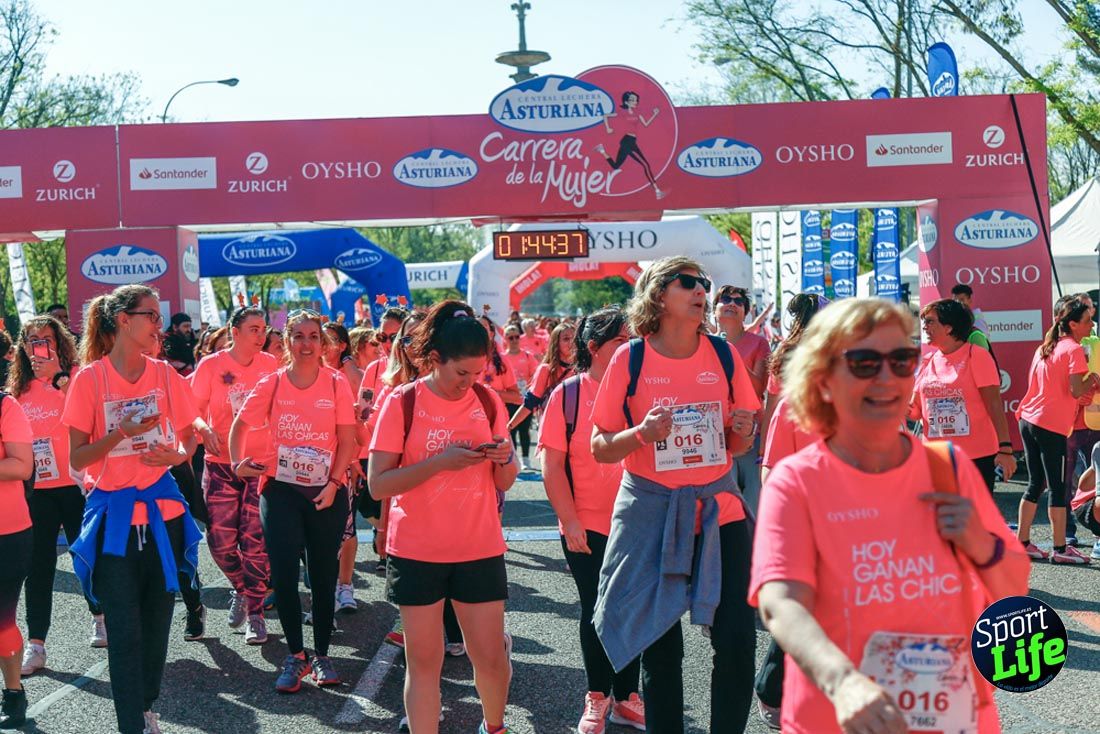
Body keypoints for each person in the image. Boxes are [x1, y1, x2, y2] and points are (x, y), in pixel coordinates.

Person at [751, 297, 1029, 734]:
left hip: (951, 717)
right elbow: (781, 603)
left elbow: (1014, 588)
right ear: (823, 378)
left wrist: (981, 543)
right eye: (864, 362)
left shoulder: (948, 468)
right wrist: (841, 681)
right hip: (836, 715)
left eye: (902, 360)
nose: (887, 377)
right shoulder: (796, 481)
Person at [591, 256, 760, 734]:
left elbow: (738, 442)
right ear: (659, 293)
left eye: (704, 282)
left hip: (717, 508)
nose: (701, 290)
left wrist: (742, 432)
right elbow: (600, 446)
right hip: (651, 508)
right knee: (659, 643)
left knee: (736, 639)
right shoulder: (631, 358)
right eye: (688, 282)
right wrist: (641, 434)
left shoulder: (724, 355)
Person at [369, 300, 518, 734]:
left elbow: (504, 482)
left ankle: (494, 727)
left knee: (489, 656)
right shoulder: (404, 401)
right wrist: (441, 462)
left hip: (479, 547)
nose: (469, 384)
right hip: (416, 550)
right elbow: (379, 484)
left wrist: (505, 457)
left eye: (477, 374)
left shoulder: (488, 401)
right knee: (424, 661)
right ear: (435, 359)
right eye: (461, 374)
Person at [63, 284, 202, 734]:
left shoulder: (164, 374)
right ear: (124, 321)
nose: (159, 326)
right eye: (151, 317)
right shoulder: (90, 379)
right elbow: (78, 459)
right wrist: (118, 433)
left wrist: (176, 454)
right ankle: (131, 725)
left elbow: (187, 436)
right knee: (124, 632)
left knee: (158, 626)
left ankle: (145, 706)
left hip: (163, 518)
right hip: (114, 523)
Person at [229, 309, 357, 692]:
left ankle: (321, 653)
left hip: (326, 491)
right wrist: (238, 463)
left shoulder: (336, 384)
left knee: (322, 575)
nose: (306, 344)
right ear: (286, 342)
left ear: (323, 343)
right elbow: (239, 426)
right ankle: (295, 655)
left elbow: (348, 441)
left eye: (313, 337)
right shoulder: (271, 383)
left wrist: (334, 483)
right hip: (280, 489)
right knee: (284, 575)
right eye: (298, 336)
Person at [539, 307, 645, 734]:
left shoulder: (640, 392)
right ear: (594, 347)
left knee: (632, 610)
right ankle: (597, 697)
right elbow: (551, 467)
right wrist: (570, 520)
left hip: (638, 521)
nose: (630, 347)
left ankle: (627, 696)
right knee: (596, 611)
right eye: (622, 340)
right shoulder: (567, 395)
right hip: (587, 524)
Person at [13, 317, 106, 678]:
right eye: (32, 340)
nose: (40, 347)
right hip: (36, 490)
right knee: (37, 568)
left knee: (87, 558)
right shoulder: (17, 387)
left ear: (60, 342)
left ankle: (100, 617)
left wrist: (57, 379)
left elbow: (94, 417)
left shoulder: (76, 376)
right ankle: (36, 645)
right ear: (23, 347)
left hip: (76, 484)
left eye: (47, 339)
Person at [190, 307, 277, 644]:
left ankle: (256, 614)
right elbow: (192, 410)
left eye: (263, 329)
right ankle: (241, 588)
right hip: (220, 463)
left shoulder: (271, 365)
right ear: (234, 331)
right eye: (253, 329)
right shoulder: (211, 366)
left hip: (261, 464)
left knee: (255, 542)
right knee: (220, 541)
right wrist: (202, 427)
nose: (261, 335)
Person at [1014, 296, 1098, 564]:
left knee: (1035, 483)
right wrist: (1093, 379)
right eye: (1087, 321)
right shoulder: (1073, 349)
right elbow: (1076, 390)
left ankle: (1023, 542)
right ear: (1073, 324)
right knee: (1058, 486)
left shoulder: (1045, 347)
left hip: (1028, 420)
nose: (1092, 325)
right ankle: (1061, 549)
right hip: (1049, 425)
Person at [912, 299, 1016, 493]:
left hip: (975, 456)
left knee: (973, 518)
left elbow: (994, 405)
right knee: (940, 518)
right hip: (937, 455)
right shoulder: (928, 361)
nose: (924, 326)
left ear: (949, 327)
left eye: (930, 321)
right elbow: (915, 411)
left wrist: (1005, 449)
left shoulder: (976, 355)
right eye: (924, 321)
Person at [322, 321, 366, 614]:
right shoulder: (300, 374)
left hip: (345, 461)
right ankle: (322, 592)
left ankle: (345, 585)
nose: (325, 345)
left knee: (347, 529)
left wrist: (350, 461)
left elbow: (362, 386)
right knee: (317, 535)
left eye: (331, 340)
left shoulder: (343, 375)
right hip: (309, 468)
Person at [715, 285, 770, 513]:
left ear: (746, 313)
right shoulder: (700, 343)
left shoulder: (759, 344)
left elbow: (758, 387)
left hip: (750, 436)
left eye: (739, 302)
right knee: (722, 509)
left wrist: (729, 352)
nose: (732, 304)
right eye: (726, 299)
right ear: (715, 308)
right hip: (713, 438)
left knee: (752, 507)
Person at [0, 380, 34, 728]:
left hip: (6, 533)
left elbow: (22, 465)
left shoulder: (6, 407)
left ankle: (13, 693)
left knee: (1, 620)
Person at [507, 322, 576, 443]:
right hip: (553, 432)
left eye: (574, 338)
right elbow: (529, 403)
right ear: (556, 344)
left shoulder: (584, 370)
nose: (572, 342)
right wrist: (509, 427)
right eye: (566, 339)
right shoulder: (546, 370)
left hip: (578, 432)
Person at [595, 91, 666, 200]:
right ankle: (657, 191)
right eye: (632, 100)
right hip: (627, 142)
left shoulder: (638, 112)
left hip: (632, 141)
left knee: (615, 166)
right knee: (645, 165)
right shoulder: (622, 112)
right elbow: (605, 116)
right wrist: (608, 128)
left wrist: (655, 114)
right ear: (626, 102)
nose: (635, 102)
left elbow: (646, 124)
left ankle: (601, 150)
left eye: (636, 100)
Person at [501, 324, 539, 472]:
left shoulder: (527, 356)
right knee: (510, 430)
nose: (514, 340)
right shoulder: (502, 358)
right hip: (508, 400)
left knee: (524, 429)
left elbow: (535, 376)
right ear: (505, 339)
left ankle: (525, 459)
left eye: (517, 336)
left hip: (524, 399)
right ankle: (514, 459)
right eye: (511, 337)